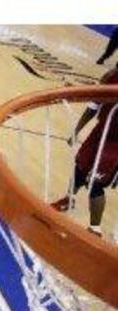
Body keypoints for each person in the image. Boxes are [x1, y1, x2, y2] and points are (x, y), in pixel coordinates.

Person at [50, 64, 118, 237]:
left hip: (115, 144)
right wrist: (76, 130)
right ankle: (69, 199)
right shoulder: (111, 76)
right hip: (100, 131)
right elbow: (93, 106)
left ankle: (95, 229)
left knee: (95, 183)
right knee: (79, 167)